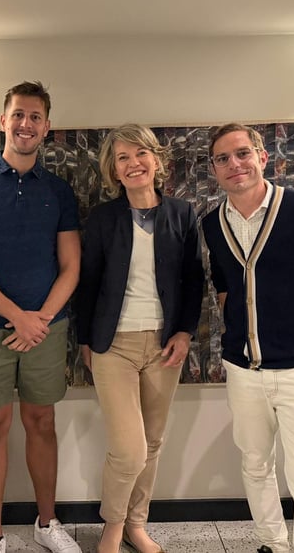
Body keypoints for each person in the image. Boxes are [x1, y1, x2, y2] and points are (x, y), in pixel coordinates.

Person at [201, 123, 294, 553]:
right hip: (244, 371)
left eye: (242, 153)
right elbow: (224, 285)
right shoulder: (213, 223)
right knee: (255, 465)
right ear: (214, 169)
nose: (234, 164)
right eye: (223, 158)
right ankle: (274, 544)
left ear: (263, 157)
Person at [0, 81, 82, 553]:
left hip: (46, 327)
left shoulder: (59, 190)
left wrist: (39, 318)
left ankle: (47, 523)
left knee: (42, 422)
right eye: (18, 114)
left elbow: (71, 266)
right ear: (3, 121)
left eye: (35, 116)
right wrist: (16, 317)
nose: (26, 124)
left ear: (47, 127)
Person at [76, 123, 204, 553]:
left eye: (141, 154)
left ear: (156, 159)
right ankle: (112, 528)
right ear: (113, 170)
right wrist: (85, 341)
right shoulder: (103, 219)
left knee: (151, 443)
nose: (133, 164)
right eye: (123, 158)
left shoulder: (182, 214)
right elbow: (88, 282)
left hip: (164, 345)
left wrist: (185, 331)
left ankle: (136, 524)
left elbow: (194, 280)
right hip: (113, 344)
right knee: (128, 450)